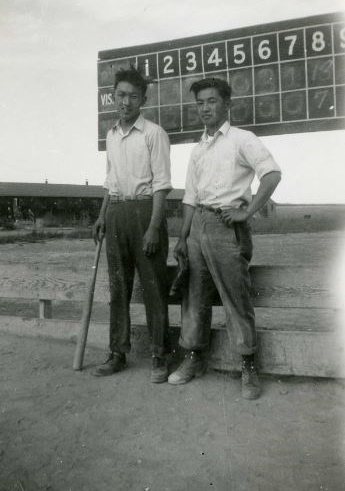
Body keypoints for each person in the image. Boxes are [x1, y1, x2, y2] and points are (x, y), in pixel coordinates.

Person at [168, 77, 281, 399]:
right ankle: (193, 359)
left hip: (227, 225)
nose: (205, 108)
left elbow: (272, 174)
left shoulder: (243, 140)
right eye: (200, 102)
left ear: (226, 104)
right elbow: (190, 197)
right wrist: (182, 237)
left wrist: (248, 212)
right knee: (194, 296)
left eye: (211, 101)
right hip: (198, 226)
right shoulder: (198, 149)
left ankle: (248, 367)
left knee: (236, 298)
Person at [93, 67, 172, 383]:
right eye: (121, 95)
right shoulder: (111, 135)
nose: (125, 102)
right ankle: (117, 353)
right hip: (116, 214)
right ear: (114, 96)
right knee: (118, 289)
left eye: (133, 96)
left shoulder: (154, 134)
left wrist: (153, 227)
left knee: (154, 289)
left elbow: (162, 185)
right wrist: (101, 216)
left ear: (143, 99)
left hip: (145, 214)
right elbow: (110, 182)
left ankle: (159, 355)